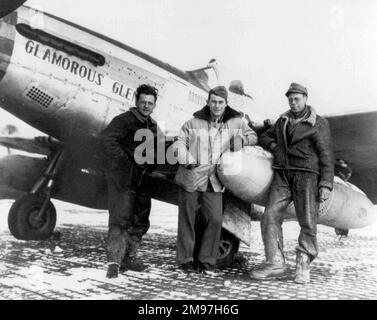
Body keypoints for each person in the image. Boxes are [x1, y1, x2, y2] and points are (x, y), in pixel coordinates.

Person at [250, 82, 334, 284]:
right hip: (283, 174)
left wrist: (325, 184)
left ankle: (304, 264)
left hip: (307, 175)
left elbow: (326, 155)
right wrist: (274, 146)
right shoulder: (282, 120)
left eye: (297, 99)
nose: (293, 103)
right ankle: (275, 262)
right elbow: (264, 136)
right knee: (270, 215)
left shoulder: (319, 123)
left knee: (307, 221)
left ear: (305, 99)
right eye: (290, 99)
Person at [173, 85, 258, 274]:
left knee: (215, 219)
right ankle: (186, 261)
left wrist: (243, 140)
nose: (217, 105)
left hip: (214, 181)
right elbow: (178, 142)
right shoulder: (192, 123)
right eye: (213, 102)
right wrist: (186, 158)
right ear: (207, 102)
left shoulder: (237, 122)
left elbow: (253, 135)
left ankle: (206, 261)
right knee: (187, 219)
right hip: (191, 177)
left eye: (220, 102)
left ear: (226, 104)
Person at [99, 84, 160, 278]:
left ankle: (129, 258)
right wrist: (125, 163)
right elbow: (107, 140)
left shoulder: (153, 125)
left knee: (140, 221)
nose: (146, 106)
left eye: (150, 103)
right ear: (136, 101)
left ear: (154, 105)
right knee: (120, 220)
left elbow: (158, 151)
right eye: (143, 102)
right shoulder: (123, 121)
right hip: (123, 180)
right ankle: (114, 264)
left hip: (143, 183)